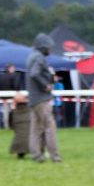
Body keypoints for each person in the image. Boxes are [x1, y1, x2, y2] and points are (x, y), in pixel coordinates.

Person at [26, 33, 62, 163]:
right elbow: (35, 74)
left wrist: (50, 78)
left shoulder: (31, 56)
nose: (50, 50)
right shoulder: (39, 58)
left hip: (33, 98)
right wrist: (46, 85)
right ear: (43, 47)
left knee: (35, 128)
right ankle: (55, 156)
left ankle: (36, 155)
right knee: (49, 127)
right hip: (42, 98)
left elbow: (34, 74)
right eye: (48, 47)